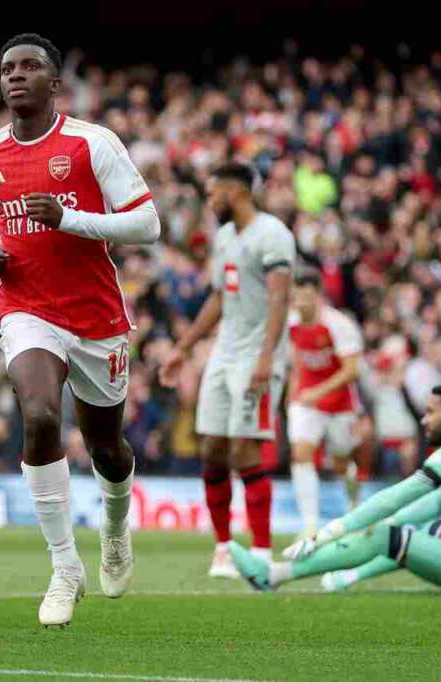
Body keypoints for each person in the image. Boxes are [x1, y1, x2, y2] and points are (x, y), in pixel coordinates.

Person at [0, 33, 160, 626]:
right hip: (26, 307)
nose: (15, 76)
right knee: (41, 416)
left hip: (96, 316)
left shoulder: (91, 143)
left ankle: (115, 522)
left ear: (55, 83)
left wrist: (70, 218)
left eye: (29, 68)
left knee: (107, 446)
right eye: (7, 69)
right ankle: (64, 568)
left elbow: (148, 224)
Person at [230, 383, 441, 597]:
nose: (424, 419)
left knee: (383, 534)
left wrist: (329, 532)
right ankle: (345, 576)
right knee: (427, 529)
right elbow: (417, 511)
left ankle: (274, 575)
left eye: (432, 412)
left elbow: (395, 498)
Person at [159, 163, 295, 577]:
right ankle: (222, 548)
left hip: (258, 353)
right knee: (213, 448)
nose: (209, 200)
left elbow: (279, 300)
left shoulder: (272, 235)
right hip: (224, 352)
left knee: (245, 449)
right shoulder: (224, 238)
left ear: (235, 191)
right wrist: (184, 347)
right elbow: (219, 298)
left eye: (213, 192)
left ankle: (263, 552)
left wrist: (267, 357)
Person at [287, 269, 363, 537]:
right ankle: (309, 525)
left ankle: (354, 505)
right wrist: (294, 394)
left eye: (307, 297)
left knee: (342, 463)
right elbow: (297, 358)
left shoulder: (339, 325)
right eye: (297, 297)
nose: (301, 303)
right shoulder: (291, 324)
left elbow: (352, 370)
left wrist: (317, 392)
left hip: (339, 404)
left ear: (318, 295)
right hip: (307, 402)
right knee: (301, 453)